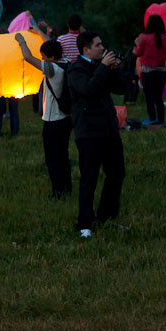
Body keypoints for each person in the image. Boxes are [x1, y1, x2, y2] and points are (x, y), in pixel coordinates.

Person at [67, 31, 126, 238]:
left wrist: (115, 68)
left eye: (102, 44)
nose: (103, 48)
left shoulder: (101, 66)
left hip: (108, 129)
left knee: (116, 173)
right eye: (99, 45)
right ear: (86, 49)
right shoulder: (76, 70)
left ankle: (106, 217)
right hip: (89, 132)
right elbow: (89, 90)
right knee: (89, 178)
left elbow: (120, 87)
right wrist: (103, 67)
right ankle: (85, 223)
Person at [16, 33, 72, 198]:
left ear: (51, 57)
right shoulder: (66, 63)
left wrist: (21, 41)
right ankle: (67, 188)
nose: (42, 59)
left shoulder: (52, 69)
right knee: (63, 156)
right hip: (66, 119)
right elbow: (52, 45)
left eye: (44, 57)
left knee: (52, 159)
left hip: (52, 120)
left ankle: (57, 192)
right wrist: (39, 31)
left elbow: (27, 57)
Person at [133, 14, 166, 125]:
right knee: (159, 97)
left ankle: (152, 119)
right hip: (161, 72)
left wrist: (137, 44)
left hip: (147, 72)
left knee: (149, 96)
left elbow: (138, 53)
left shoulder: (145, 38)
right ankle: (161, 119)